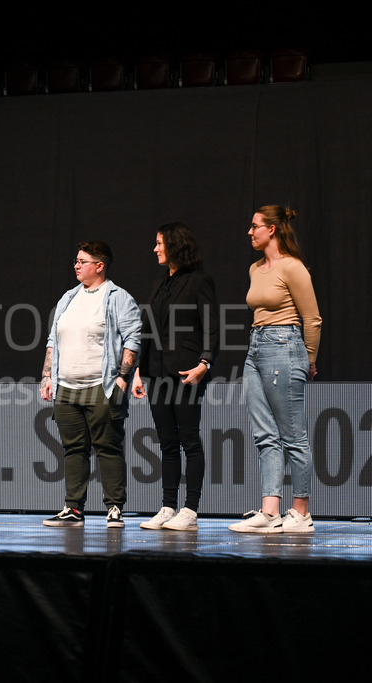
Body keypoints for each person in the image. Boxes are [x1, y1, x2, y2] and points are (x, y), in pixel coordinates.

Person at [229, 205, 322, 533]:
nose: (250, 232)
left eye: (255, 226)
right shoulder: (256, 268)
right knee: (264, 433)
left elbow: (312, 318)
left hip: (285, 347)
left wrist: (308, 360)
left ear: (272, 229)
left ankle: (301, 512)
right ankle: (270, 512)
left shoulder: (292, 267)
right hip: (256, 348)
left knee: (293, 435)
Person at [40, 241, 140, 529]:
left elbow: (132, 339)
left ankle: (114, 508)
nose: (76, 265)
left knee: (108, 447)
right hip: (66, 386)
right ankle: (73, 508)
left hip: (101, 386)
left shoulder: (118, 297)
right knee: (73, 449)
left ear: (100, 265)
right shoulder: (68, 298)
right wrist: (47, 375)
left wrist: (122, 377)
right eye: (76, 260)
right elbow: (52, 340)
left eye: (82, 261)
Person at [133, 223, 219, 531]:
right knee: (167, 443)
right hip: (155, 371)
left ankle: (190, 509)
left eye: (159, 243)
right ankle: (168, 506)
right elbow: (148, 330)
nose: (155, 249)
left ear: (174, 245)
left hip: (186, 372)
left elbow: (211, 326)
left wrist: (204, 363)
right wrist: (139, 371)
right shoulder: (159, 282)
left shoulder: (199, 281)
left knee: (189, 440)